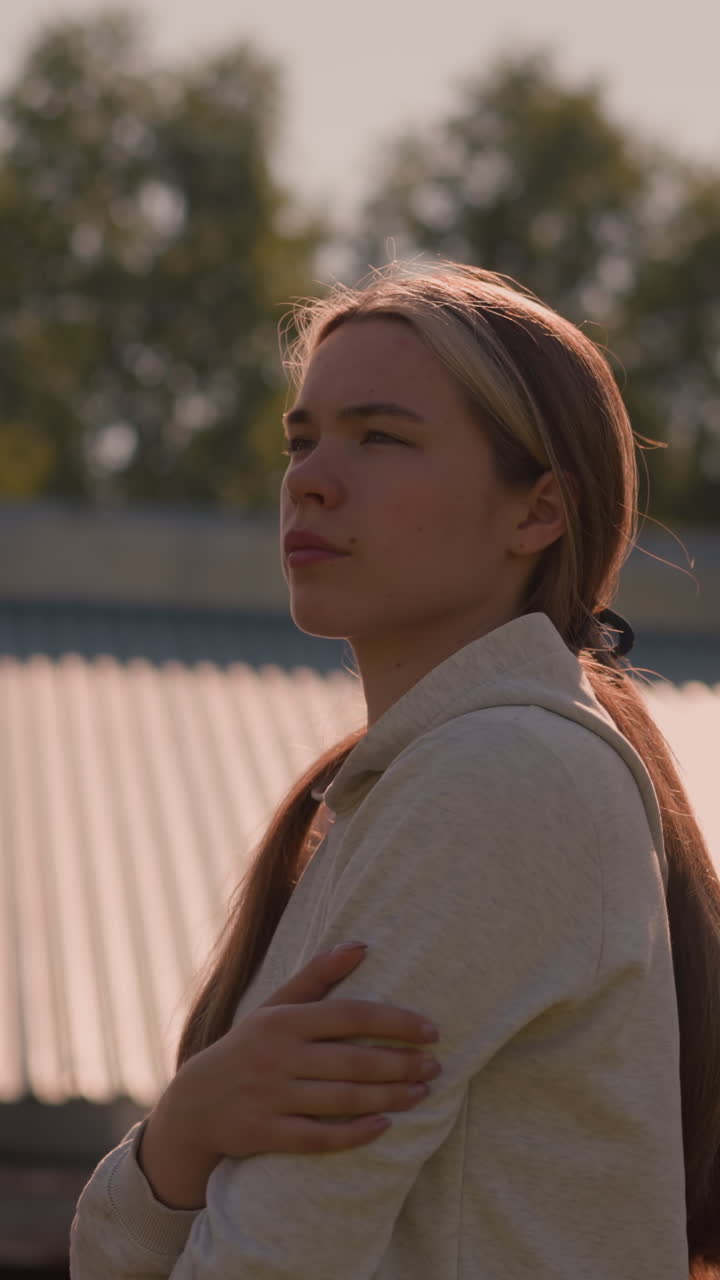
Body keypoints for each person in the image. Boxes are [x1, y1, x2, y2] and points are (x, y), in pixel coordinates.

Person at [70, 260, 720, 1279]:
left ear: (538, 510)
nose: (311, 477)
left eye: (381, 435)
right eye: (302, 437)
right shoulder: (438, 773)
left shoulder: (497, 773)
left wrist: (169, 1150)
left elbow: (268, 1259)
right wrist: (182, 1132)